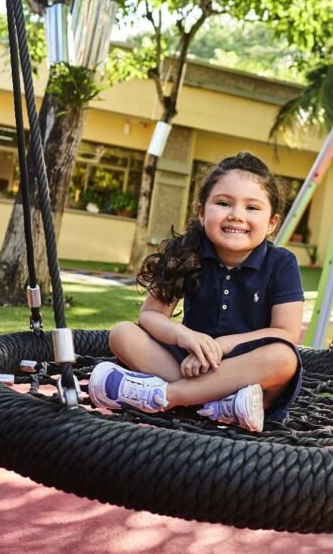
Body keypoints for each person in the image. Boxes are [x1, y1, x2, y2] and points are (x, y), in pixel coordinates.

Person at [88, 152, 304, 432]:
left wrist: (225, 346)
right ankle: (219, 404)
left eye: (252, 207)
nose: (236, 215)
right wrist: (187, 337)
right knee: (122, 334)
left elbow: (285, 333)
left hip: (248, 372)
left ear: (272, 223)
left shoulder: (281, 263)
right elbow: (151, 317)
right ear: (201, 212)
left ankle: (166, 397)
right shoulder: (185, 252)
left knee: (283, 358)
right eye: (224, 203)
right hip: (189, 361)